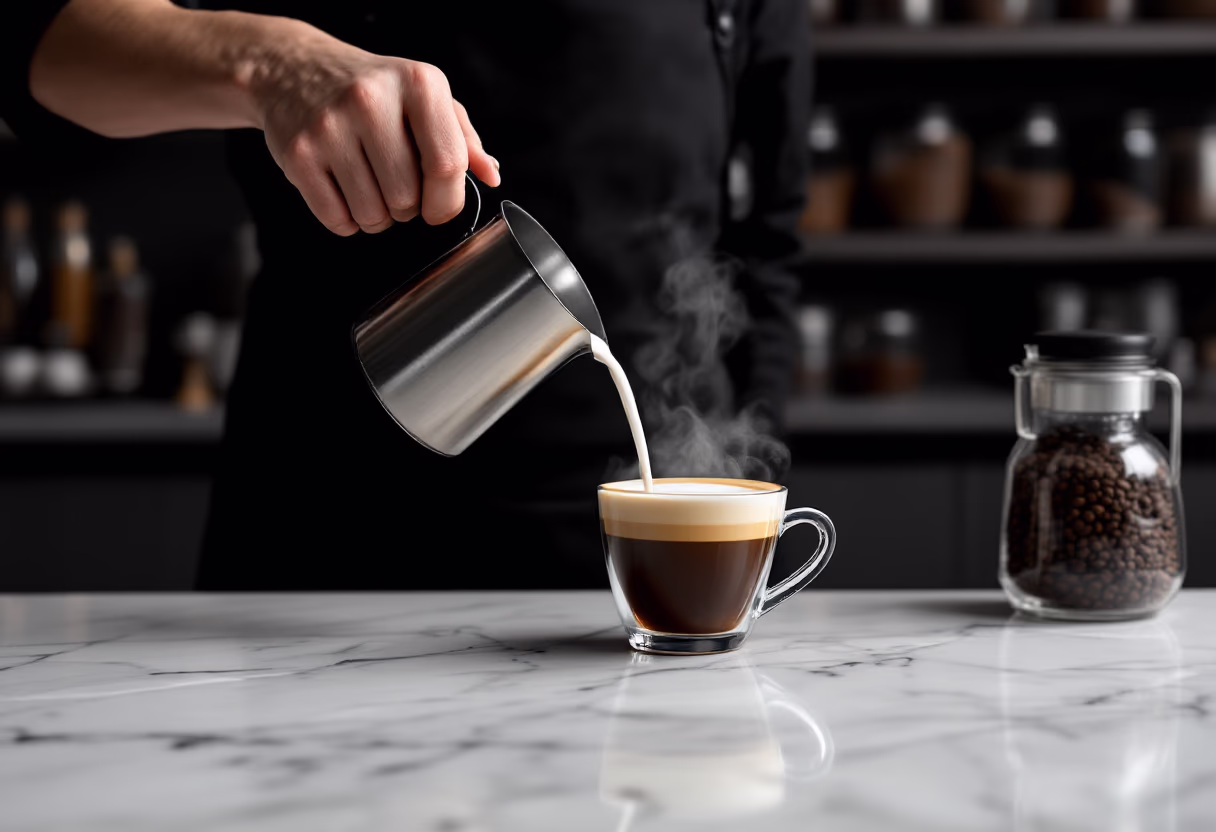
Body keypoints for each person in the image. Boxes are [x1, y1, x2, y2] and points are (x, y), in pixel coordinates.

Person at [4, 0, 809, 589]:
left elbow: (766, 242)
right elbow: (34, 36)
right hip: (334, 528)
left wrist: (750, 527)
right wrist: (271, 62)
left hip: (640, 559)